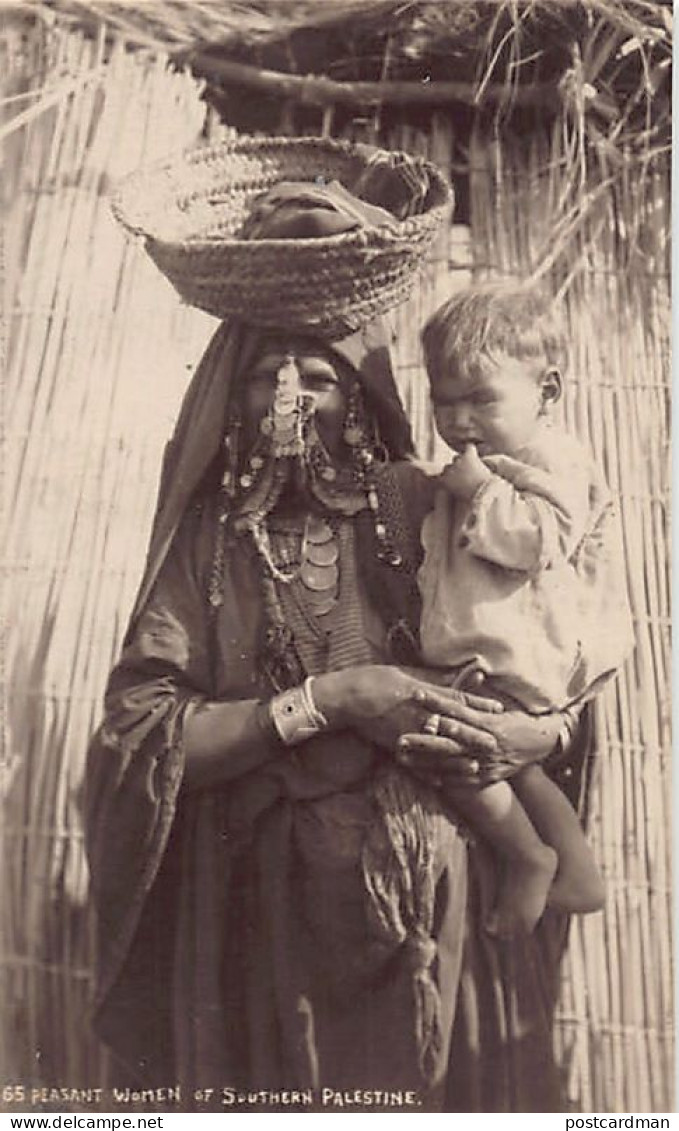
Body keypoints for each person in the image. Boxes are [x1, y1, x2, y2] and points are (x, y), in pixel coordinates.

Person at [85, 159, 608, 1112]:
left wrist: (546, 734)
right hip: (265, 934)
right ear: (230, 398)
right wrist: (327, 699)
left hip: (442, 915)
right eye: (263, 376)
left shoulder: (433, 501)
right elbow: (140, 737)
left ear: (361, 389)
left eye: (317, 374)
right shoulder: (208, 542)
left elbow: (549, 645)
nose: (291, 397)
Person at [416, 286, 634, 938]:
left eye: (481, 399)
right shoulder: (494, 461)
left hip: (516, 653)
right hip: (497, 652)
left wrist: (479, 488)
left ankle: (527, 856)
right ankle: (573, 865)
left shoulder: (552, 457)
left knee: (447, 747)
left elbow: (543, 538)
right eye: (443, 400)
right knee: (515, 763)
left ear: (547, 390)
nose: (459, 420)